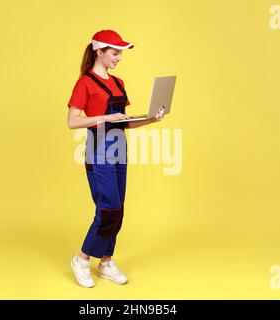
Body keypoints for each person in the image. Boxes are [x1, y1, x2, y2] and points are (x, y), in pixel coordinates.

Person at [67, 29, 166, 288]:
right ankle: (81, 259)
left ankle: (106, 262)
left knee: (118, 210)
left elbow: (126, 123)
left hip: (120, 151)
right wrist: (105, 118)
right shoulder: (85, 83)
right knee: (108, 209)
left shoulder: (119, 83)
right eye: (115, 52)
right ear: (99, 51)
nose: (118, 57)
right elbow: (72, 121)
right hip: (99, 152)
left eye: (120, 53)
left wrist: (151, 118)